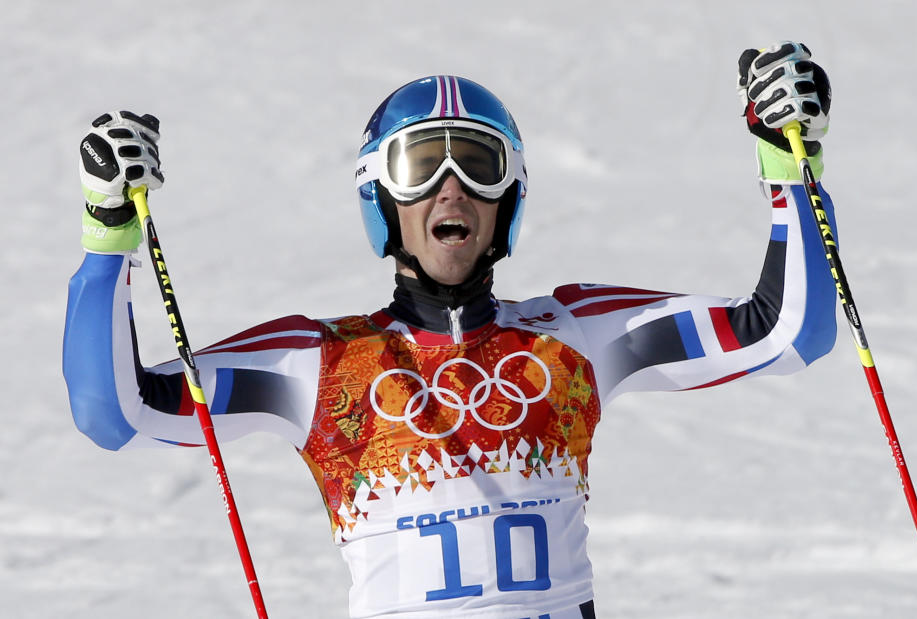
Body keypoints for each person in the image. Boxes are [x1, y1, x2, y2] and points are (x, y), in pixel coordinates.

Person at [64, 41, 838, 619]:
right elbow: (117, 412)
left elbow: (790, 330)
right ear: (380, 197)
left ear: (511, 198)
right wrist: (109, 236)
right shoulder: (319, 360)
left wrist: (786, 164)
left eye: (477, 163)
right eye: (420, 167)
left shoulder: (574, 334)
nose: (451, 187)